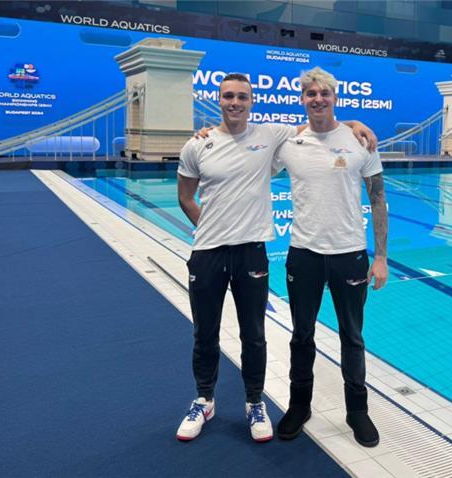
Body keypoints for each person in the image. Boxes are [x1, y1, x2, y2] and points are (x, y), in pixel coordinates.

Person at [175, 73, 377, 443]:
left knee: (257, 334)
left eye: (242, 97)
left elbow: (322, 124)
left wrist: (353, 123)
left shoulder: (270, 135)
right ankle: (205, 399)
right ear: (218, 100)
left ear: (252, 102)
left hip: (258, 250)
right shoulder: (199, 144)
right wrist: (210, 228)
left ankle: (258, 403)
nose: (235, 102)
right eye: (228, 96)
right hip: (216, 252)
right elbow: (185, 195)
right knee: (206, 332)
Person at [274, 67, 388, 448]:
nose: (318, 98)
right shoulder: (289, 142)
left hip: (349, 255)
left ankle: (357, 411)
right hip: (304, 253)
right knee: (301, 336)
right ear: (302, 99)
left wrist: (381, 256)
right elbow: (244, 146)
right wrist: (208, 134)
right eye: (311, 93)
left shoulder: (361, 141)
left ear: (335, 96)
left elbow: (377, 198)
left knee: (352, 337)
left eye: (324, 92)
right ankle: (299, 405)